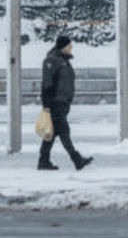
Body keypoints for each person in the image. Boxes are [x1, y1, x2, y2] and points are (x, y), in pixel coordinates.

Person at [39, 35, 92, 171]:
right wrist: (47, 106)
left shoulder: (64, 62)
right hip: (55, 102)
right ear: (62, 47)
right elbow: (47, 84)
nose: (71, 48)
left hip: (63, 103)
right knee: (64, 132)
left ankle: (43, 161)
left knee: (51, 134)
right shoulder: (52, 61)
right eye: (69, 46)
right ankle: (76, 159)